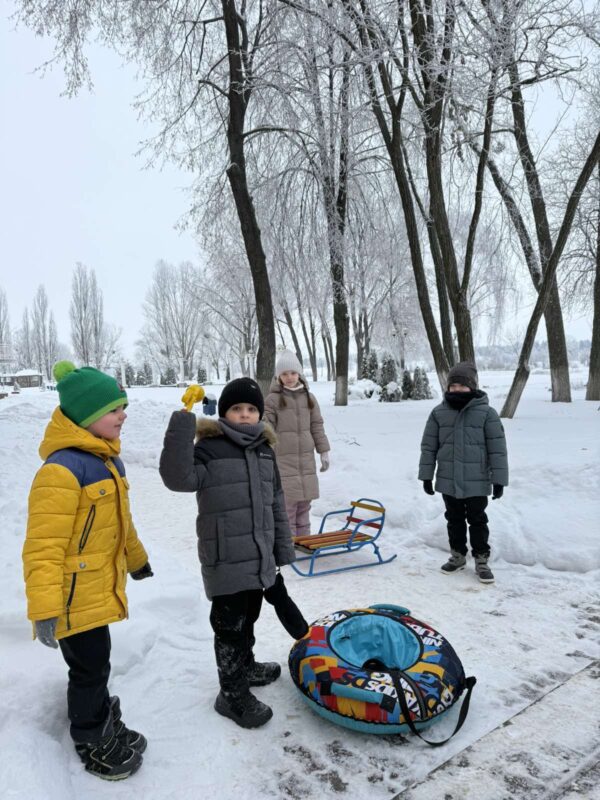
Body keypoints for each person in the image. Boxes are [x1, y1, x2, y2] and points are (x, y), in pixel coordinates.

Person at [22, 361, 153, 781]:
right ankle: (91, 739)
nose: (123, 415)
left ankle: (101, 719)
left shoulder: (108, 462)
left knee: (98, 664)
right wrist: (44, 609)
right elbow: (42, 548)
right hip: (71, 598)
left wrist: (137, 559)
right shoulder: (61, 471)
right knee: (88, 669)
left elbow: (123, 524)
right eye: (114, 409)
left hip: (96, 590)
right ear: (85, 414)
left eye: (123, 406)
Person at [159, 377, 298, 729]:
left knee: (249, 615)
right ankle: (231, 693)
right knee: (229, 626)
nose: (245, 414)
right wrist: (183, 421)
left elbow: (276, 502)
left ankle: (245, 667)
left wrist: (281, 549)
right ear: (223, 413)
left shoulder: (265, 450)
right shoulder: (209, 447)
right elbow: (177, 478)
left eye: (251, 409)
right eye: (237, 408)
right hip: (225, 556)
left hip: (259, 555)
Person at [418, 361, 508, 584]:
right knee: (454, 519)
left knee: (478, 521)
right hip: (448, 480)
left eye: (462, 385)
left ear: (472, 387)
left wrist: (499, 480)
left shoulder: (487, 414)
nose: (457, 389)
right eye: (453, 386)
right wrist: (426, 475)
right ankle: (458, 556)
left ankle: (481, 560)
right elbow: (429, 447)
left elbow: (497, 449)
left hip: (477, 480)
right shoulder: (438, 413)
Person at [264, 350, 330, 536]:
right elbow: (267, 428)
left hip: (306, 461)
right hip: (283, 460)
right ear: (278, 376)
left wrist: (323, 451)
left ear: (299, 374)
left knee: (304, 506)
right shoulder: (272, 400)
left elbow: (317, 425)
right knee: (288, 506)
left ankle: (304, 542)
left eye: (293, 373)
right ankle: (289, 545)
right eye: (284, 374)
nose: (289, 377)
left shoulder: (309, 397)